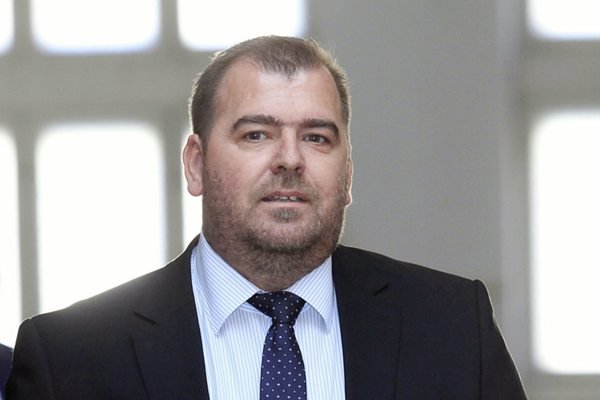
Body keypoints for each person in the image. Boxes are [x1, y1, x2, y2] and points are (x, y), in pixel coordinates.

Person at [7, 36, 527, 399]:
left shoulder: (453, 329)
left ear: (348, 173)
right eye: (256, 134)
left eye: (317, 137)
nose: (290, 159)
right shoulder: (72, 357)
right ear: (196, 165)